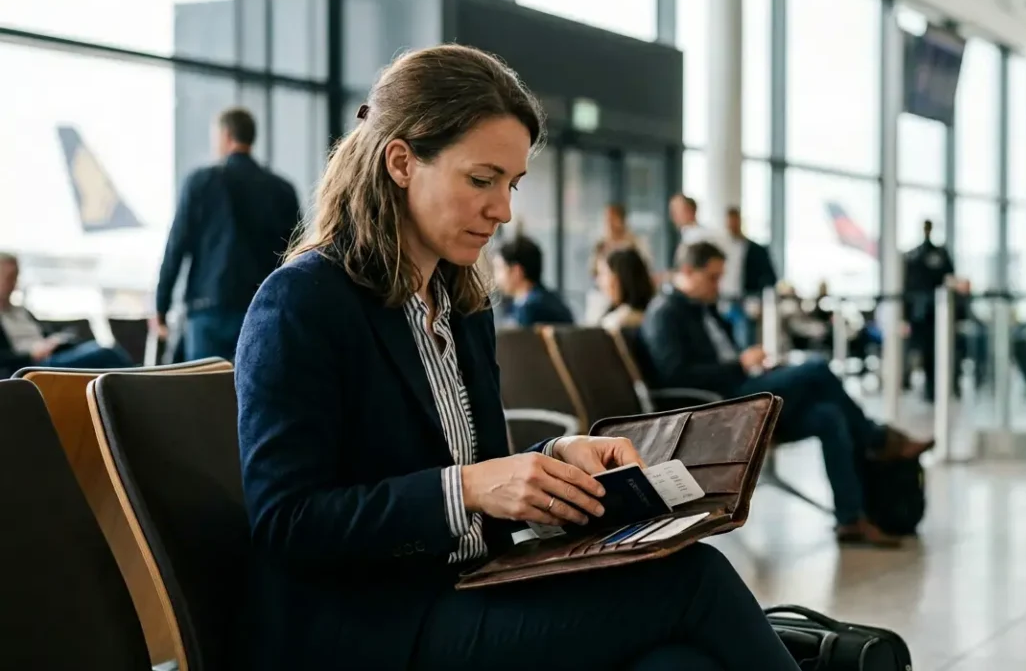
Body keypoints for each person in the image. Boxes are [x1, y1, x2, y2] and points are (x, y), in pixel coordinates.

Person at [233, 45, 798, 671]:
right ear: (401, 162)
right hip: (373, 623)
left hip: (474, 585)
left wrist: (550, 464)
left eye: (512, 184)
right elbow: (288, 521)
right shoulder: (302, 302)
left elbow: (467, 475)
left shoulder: (460, 306)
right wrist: (472, 487)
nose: (503, 210)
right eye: (482, 180)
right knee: (695, 579)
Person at [640, 240, 933, 548]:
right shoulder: (666, 314)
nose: (718, 285)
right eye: (712, 277)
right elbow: (676, 375)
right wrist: (738, 365)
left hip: (741, 390)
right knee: (817, 369)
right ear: (687, 271)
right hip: (722, 407)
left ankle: (851, 520)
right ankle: (878, 440)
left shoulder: (702, 310)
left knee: (828, 416)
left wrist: (752, 366)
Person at [155, 107, 302, 362]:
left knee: (201, 394)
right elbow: (296, 255)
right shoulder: (282, 190)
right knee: (249, 393)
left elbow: (176, 246)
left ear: (225, 135)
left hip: (207, 310)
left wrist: (161, 305)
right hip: (260, 309)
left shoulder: (200, 182)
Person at [0, 253, 133, 375]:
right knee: (105, 354)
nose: (14, 283)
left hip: (52, 356)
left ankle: (136, 383)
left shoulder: (22, 311)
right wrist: (31, 354)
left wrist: (55, 341)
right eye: (9, 277)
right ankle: (140, 383)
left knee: (103, 351)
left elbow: (48, 335)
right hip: (31, 367)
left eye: (16, 276)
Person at [903, 219, 955, 402]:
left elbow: (949, 279)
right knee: (925, 353)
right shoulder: (915, 256)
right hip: (921, 315)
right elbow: (908, 289)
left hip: (938, 313)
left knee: (938, 353)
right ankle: (930, 389)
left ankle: (939, 388)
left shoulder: (935, 254)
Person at [721, 207, 777, 347]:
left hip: (745, 301)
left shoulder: (756, 249)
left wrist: (758, 299)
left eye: (735, 222)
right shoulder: (721, 249)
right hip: (722, 300)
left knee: (744, 340)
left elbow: (770, 278)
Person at [493, 234, 575, 327]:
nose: (496, 277)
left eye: (499, 268)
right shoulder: (547, 300)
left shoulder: (531, 309)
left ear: (516, 271)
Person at [595, 246, 655, 331]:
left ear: (620, 279)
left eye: (603, 274)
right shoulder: (652, 313)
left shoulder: (618, 321)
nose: (599, 281)